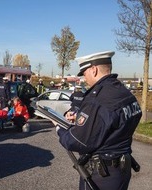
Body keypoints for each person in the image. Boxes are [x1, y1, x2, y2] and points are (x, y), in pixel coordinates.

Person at [57, 51, 142, 190]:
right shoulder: (123, 92)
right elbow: (112, 120)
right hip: (122, 171)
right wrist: (80, 117)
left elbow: (78, 142)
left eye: (84, 74)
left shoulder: (97, 98)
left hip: (102, 175)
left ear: (94, 70)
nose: (84, 79)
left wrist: (59, 129)